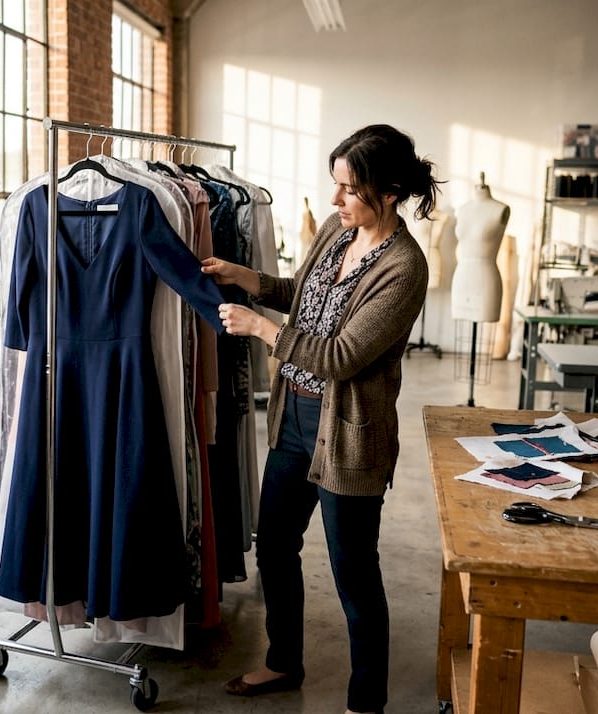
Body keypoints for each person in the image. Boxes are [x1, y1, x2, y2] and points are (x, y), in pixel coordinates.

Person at [200, 124, 436, 714]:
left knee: (353, 572)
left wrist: (258, 327)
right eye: (336, 185)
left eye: (349, 189)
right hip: (294, 422)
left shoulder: (404, 268)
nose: (335, 200)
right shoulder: (338, 230)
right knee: (275, 546)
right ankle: (284, 660)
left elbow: (340, 356)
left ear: (388, 191)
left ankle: (365, 701)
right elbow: (303, 297)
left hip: (349, 436)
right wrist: (248, 280)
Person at [450, 173, 508, 323]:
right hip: (461, 276)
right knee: (461, 334)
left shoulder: (500, 209)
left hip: (486, 278)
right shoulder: (462, 209)